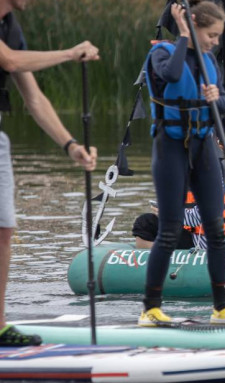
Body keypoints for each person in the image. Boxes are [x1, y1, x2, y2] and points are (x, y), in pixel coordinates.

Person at [140, 1, 225, 326]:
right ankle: (150, 309)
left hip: (202, 148)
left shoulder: (211, 62)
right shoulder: (161, 53)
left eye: (219, 36)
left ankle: (221, 307)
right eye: (212, 35)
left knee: (215, 228)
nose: (216, 41)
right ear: (195, 27)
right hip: (170, 146)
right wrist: (185, 37)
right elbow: (172, 74)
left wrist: (219, 97)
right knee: (170, 230)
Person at [0, 0, 99, 346]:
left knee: (4, 229)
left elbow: (34, 97)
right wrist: (71, 53)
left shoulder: (10, 26)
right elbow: (9, 60)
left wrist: (71, 146)